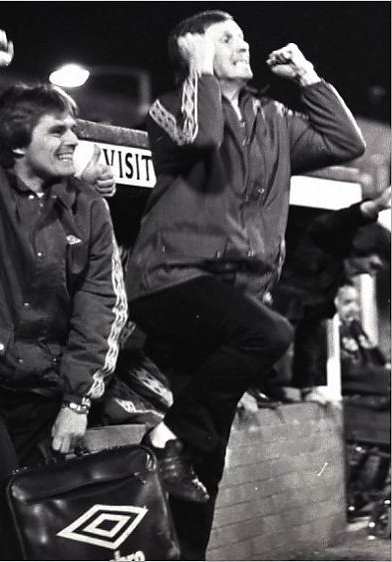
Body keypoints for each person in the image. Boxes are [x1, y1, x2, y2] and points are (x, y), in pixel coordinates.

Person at [124, 9, 365, 560]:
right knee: (271, 335)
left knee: (199, 461)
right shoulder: (169, 107)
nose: (243, 43)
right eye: (224, 37)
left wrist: (307, 76)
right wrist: (199, 71)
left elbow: (344, 144)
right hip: (173, 281)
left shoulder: (272, 116)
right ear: (192, 49)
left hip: (235, 298)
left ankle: (185, 546)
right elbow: (204, 136)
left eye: (242, 35)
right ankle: (165, 433)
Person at [0, 30, 127, 560]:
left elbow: (103, 304)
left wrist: (76, 401)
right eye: (58, 132)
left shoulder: (89, 205)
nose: (74, 140)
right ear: (18, 144)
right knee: (3, 506)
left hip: (40, 388)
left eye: (75, 129)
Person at [267, 187, 391, 405]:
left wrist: (308, 388)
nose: (370, 273)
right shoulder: (323, 243)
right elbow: (329, 224)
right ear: (361, 247)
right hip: (270, 306)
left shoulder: (333, 278)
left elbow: (311, 329)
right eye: (372, 265)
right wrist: (371, 208)